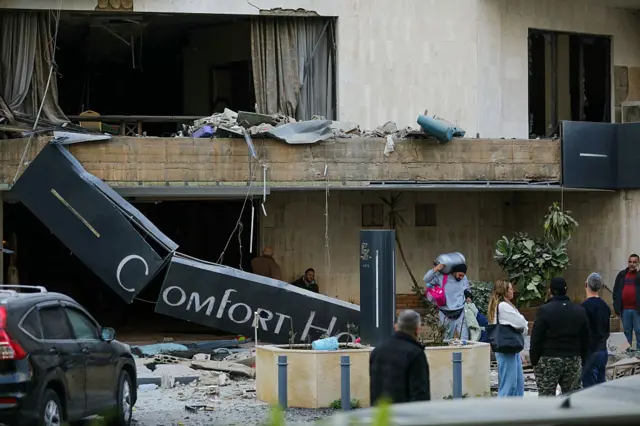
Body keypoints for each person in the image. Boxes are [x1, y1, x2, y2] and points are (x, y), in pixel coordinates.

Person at [530, 277, 591, 396]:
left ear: (550, 291)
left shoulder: (545, 310)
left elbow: (536, 337)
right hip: (573, 358)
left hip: (549, 358)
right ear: (566, 290)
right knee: (572, 396)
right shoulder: (580, 311)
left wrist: (534, 359)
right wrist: (582, 359)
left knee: (546, 396)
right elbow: (586, 338)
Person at [369, 309, 430, 405]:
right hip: (405, 416)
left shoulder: (378, 351)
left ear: (397, 327)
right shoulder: (415, 353)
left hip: (381, 416)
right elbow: (420, 394)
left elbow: (375, 389)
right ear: (417, 329)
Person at [487, 280, 528, 397]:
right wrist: (525, 327)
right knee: (509, 384)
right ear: (504, 291)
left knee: (517, 382)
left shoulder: (499, 305)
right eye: (510, 289)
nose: (513, 291)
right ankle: (503, 411)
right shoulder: (503, 306)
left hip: (509, 348)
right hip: (507, 348)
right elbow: (521, 322)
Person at [424, 263, 472, 340]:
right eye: (459, 275)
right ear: (454, 272)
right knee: (446, 339)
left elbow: (466, 289)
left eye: (463, 276)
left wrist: (468, 297)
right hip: (445, 312)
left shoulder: (464, 278)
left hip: (460, 312)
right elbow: (426, 279)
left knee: (464, 338)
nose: (461, 277)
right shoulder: (441, 277)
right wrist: (435, 269)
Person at [581, 272, 611, 388]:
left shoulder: (583, 307)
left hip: (589, 352)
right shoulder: (605, 307)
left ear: (586, 285)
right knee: (600, 387)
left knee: (589, 389)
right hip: (602, 350)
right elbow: (607, 330)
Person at [613, 253, 640, 351]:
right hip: (625, 309)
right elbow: (616, 291)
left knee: (638, 331)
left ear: (638, 263)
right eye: (630, 261)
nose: (632, 264)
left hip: (637, 310)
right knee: (626, 332)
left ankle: (639, 355)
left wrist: (638, 273)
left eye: (634, 262)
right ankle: (626, 354)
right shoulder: (622, 274)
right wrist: (616, 307)